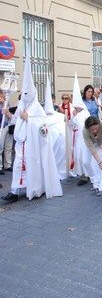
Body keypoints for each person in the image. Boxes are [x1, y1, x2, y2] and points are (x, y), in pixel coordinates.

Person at [1, 49, 62, 203]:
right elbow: (14, 120)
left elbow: (43, 129)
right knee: (17, 167)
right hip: (20, 143)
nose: (26, 97)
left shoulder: (37, 109)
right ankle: (15, 191)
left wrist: (29, 119)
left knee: (30, 167)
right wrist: (6, 112)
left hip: (32, 145)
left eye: (28, 94)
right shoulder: (21, 105)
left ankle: (33, 188)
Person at [82, 116, 102, 196]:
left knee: (95, 164)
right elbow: (92, 149)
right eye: (92, 129)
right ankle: (93, 180)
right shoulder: (85, 131)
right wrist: (99, 162)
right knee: (85, 162)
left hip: (100, 143)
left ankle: (97, 185)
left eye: (96, 128)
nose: (95, 131)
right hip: (89, 144)